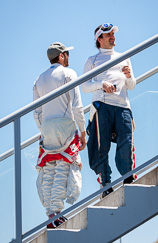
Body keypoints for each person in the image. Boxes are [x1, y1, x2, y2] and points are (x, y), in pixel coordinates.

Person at [33, 42, 86, 228]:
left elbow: (36, 112)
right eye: (67, 54)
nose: (68, 58)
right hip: (64, 125)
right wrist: (83, 131)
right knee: (63, 168)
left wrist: (44, 129)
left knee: (49, 171)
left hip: (47, 128)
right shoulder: (69, 74)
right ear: (61, 56)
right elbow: (77, 106)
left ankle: (50, 213)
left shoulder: (39, 79)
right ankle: (57, 213)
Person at [81, 23, 136, 198]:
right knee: (100, 146)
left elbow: (132, 85)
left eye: (113, 34)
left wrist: (128, 76)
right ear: (99, 39)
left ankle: (128, 177)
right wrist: (101, 85)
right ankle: (106, 184)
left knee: (126, 143)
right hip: (102, 106)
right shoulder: (92, 60)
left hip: (122, 106)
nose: (112, 37)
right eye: (108, 35)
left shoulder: (124, 57)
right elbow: (84, 87)